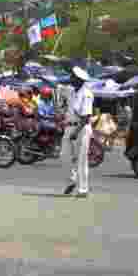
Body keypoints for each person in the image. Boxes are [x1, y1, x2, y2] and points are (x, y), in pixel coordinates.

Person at [63, 67, 94, 198]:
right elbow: (55, 85)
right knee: (64, 156)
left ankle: (83, 189)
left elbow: (86, 117)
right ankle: (73, 179)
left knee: (81, 160)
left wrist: (75, 132)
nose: (70, 79)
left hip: (81, 129)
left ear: (79, 80)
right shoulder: (71, 91)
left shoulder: (86, 94)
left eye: (72, 77)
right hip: (69, 127)